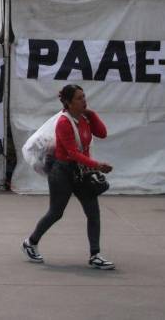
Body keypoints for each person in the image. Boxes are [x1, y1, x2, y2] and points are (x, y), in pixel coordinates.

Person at [22, 84, 114, 270]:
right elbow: (72, 153)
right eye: (79, 98)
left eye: (84, 97)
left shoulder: (85, 118)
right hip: (62, 172)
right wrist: (97, 165)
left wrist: (91, 114)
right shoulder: (64, 122)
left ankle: (95, 255)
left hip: (82, 172)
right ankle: (30, 242)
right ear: (69, 103)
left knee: (93, 213)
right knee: (56, 212)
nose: (84, 101)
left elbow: (102, 133)